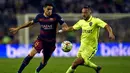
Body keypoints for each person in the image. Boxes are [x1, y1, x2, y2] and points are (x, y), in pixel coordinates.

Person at [9, 3, 68, 73]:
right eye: (48, 9)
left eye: (51, 9)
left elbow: (64, 25)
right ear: (44, 9)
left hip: (51, 43)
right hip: (41, 40)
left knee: (44, 62)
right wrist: (18, 28)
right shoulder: (39, 16)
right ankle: (19, 72)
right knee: (31, 54)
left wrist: (64, 28)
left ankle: (38, 70)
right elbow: (30, 23)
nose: (50, 11)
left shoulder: (56, 16)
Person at [62, 5, 115, 73]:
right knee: (77, 64)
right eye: (83, 12)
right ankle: (96, 68)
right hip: (82, 46)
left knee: (75, 63)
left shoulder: (96, 21)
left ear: (90, 12)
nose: (84, 14)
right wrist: (66, 29)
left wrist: (110, 33)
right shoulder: (81, 22)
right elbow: (73, 28)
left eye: (85, 12)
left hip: (91, 47)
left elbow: (106, 26)